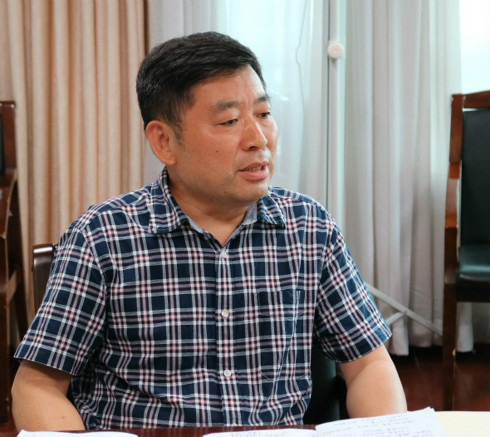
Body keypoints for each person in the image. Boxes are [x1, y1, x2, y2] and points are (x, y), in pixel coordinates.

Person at [12, 31, 407, 430]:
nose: (258, 139)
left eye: (264, 114)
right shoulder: (102, 237)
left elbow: (368, 365)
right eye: (229, 121)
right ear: (164, 142)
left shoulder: (310, 228)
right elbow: (38, 386)